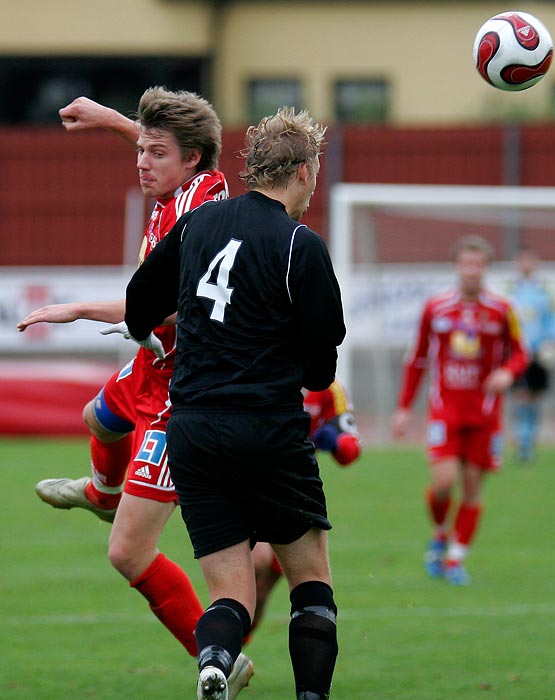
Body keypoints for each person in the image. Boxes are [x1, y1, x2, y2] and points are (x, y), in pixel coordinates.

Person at [17, 88, 254, 695]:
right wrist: (109, 121)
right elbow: (160, 146)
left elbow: (164, 306)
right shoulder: (173, 182)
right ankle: (101, 491)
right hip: (152, 368)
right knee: (97, 419)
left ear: (195, 160)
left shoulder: (204, 207)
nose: (142, 163)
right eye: (140, 151)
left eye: (156, 154)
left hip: (185, 392)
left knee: (127, 554)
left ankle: (220, 653)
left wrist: (76, 309)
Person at [122, 106, 345, 700]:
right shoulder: (301, 243)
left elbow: (139, 296)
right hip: (269, 429)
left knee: (229, 594)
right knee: (312, 583)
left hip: (192, 429)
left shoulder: (199, 223)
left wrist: (149, 333)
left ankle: (216, 660)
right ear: (301, 171)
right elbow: (322, 365)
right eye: (315, 171)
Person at [392, 235, 529, 586]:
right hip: (446, 411)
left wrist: (506, 372)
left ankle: (455, 559)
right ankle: (440, 533)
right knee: (443, 483)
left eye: (478, 265)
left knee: (471, 489)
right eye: (466, 264)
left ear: (486, 269)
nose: (472, 271)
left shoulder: (502, 310)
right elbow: (418, 358)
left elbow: (519, 353)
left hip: (484, 414)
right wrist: (404, 407)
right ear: (456, 267)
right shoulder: (436, 308)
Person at [251, 378, 361, 635]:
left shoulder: (328, 387)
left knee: (262, 588)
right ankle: (224, 656)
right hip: (250, 482)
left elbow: (351, 450)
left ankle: (231, 657)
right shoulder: (256, 369)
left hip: (295, 496)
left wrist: (335, 440)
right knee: (255, 565)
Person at [507, 248, 555, 462]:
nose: (526, 264)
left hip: (539, 351)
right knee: (520, 394)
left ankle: (530, 438)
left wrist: (551, 341)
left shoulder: (545, 290)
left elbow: (554, 318)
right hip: (518, 351)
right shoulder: (510, 290)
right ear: (517, 263)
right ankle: (522, 440)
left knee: (535, 396)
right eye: (522, 260)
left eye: (530, 260)